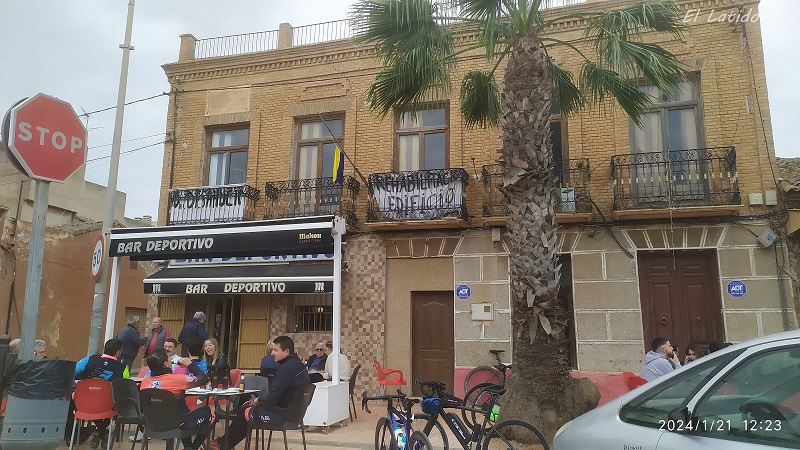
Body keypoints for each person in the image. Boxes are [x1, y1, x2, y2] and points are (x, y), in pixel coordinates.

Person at [209, 336, 310, 450]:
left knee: (246, 411)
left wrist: (258, 400)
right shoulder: (300, 366)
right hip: (296, 415)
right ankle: (223, 444)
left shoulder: (286, 369)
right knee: (247, 407)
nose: (272, 353)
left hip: (281, 415)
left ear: (286, 351)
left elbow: (272, 398)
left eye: (275, 350)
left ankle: (222, 445)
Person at [140, 348, 211, 450]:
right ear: (165, 364)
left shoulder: (145, 382)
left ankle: (188, 447)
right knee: (208, 414)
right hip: (176, 424)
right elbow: (203, 378)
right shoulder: (176, 380)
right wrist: (190, 365)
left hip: (152, 425)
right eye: (169, 358)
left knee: (181, 406)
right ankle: (192, 448)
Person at [69, 339, 130, 446]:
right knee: (118, 401)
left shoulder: (88, 360)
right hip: (107, 405)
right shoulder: (123, 368)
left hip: (82, 404)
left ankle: (98, 430)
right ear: (118, 352)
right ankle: (102, 430)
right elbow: (125, 388)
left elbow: (70, 373)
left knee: (70, 400)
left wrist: (76, 386)